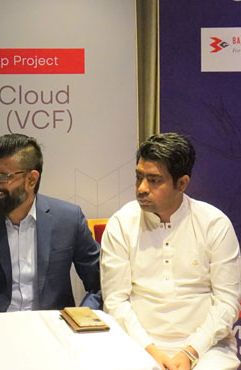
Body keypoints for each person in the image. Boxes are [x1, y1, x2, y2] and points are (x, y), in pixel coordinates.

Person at [101, 133, 241, 370]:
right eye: (139, 177)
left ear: (182, 184)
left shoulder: (214, 223)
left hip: (207, 348)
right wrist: (152, 352)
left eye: (154, 180)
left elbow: (227, 302)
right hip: (137, 344)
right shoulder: (122, 223)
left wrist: (190, 352)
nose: (142, 188)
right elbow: (115, 302)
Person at [0, 133, 101, 313]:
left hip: (52, 325)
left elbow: (101, 283)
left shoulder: (69, 220)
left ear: (31, 180)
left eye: (4, 176)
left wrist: (81, 316)